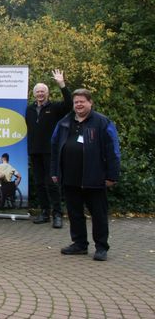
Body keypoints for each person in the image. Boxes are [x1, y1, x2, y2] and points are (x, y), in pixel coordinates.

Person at [51, 89, 121, 261]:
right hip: (69, 178)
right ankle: (79, 244)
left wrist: (112, 176)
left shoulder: (102, 122)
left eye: (82, 101)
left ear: (90, 102)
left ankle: (101, 247)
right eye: (76, 102)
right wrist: (54, 172)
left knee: (98, 215)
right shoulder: (65, 122)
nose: (79, 105)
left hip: (94, 177)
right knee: (74, 214)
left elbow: (113, 151)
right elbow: (54, 148)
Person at [25, 69, 71, 228]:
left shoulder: (56, 107)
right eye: (37, 91)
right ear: (34, 94)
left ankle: (57, 214)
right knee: (39, 183)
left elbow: (69, 104)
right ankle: (45, 212)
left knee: (52, 183)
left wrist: (62, 84)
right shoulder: (29, 109)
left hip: (50, 151)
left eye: (43, 91)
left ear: (48, 93)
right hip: (34, 151)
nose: (40, 94)